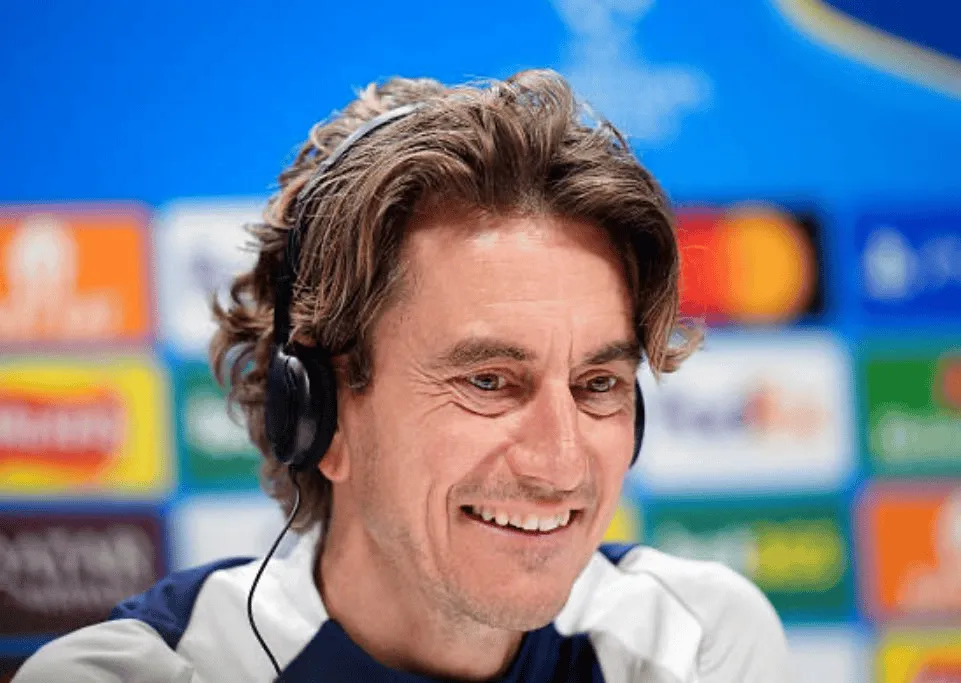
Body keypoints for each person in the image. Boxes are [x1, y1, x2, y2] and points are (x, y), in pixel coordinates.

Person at [14, 69, 787, 683]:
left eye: (597, 384)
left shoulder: (694, 644)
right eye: (488, 381)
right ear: (318, 411)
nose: (558, 464)